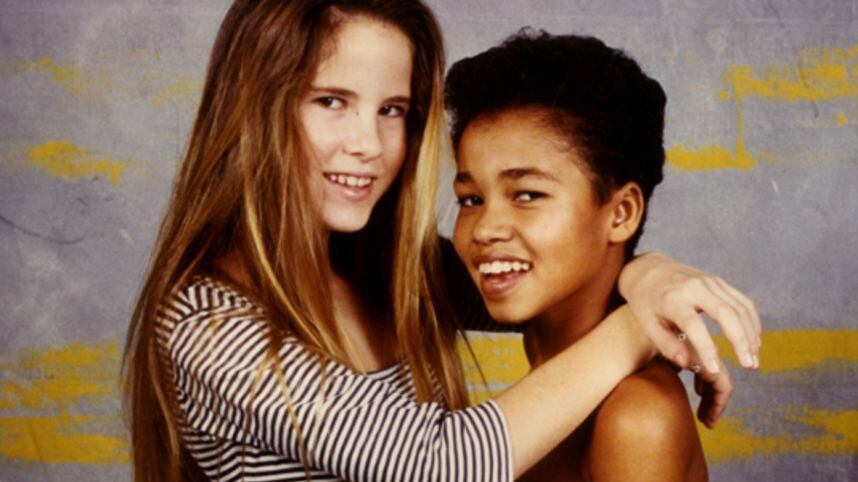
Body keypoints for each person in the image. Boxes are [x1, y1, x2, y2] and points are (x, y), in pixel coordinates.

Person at [122, 2, 761, 481]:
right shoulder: (208, 323)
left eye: (392, 109)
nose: (368, 144)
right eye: (331, 101)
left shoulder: (390, 269)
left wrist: (648, 274)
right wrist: (640, 325)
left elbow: (552, 277)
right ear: (254, 108)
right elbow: (439, 464)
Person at [446, 30, 745, 481]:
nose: (485, 229)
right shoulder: (551, 396)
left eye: (527, 195)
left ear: (621, 213)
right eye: (470, 199)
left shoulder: (635, 418)